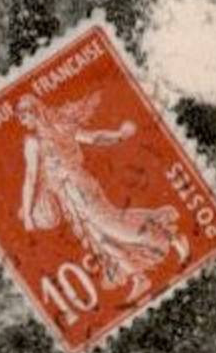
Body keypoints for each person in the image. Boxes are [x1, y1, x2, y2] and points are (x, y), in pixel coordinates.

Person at [15, 92, 189, 303]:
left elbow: (32, 177)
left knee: (115, 227)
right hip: (70, 196)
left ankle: (172, 238)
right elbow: (92, 138)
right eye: (21, 119)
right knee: (101, 240)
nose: (23, 123)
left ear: (34, 112)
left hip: (78, 190)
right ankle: (139, 278)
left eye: (24, 117)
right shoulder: (51, 131)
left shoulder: (41, 137)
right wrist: (119, 135)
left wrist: (28, 218)